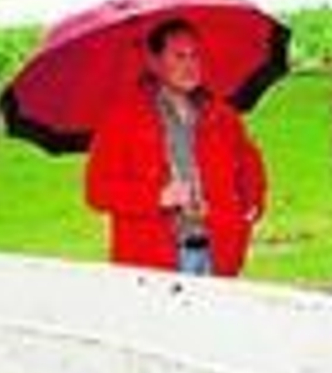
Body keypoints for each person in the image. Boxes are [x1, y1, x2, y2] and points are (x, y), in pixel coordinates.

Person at [85, 18, 266, 277]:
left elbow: (252, 172)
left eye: (195, 55)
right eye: (179, 56)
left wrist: (243, 216)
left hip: (219, 257)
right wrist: (158, 196)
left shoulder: (222, 116)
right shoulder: (123, 119)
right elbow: (97, 191)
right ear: (156, 62)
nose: (190, 65)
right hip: (151, 264)